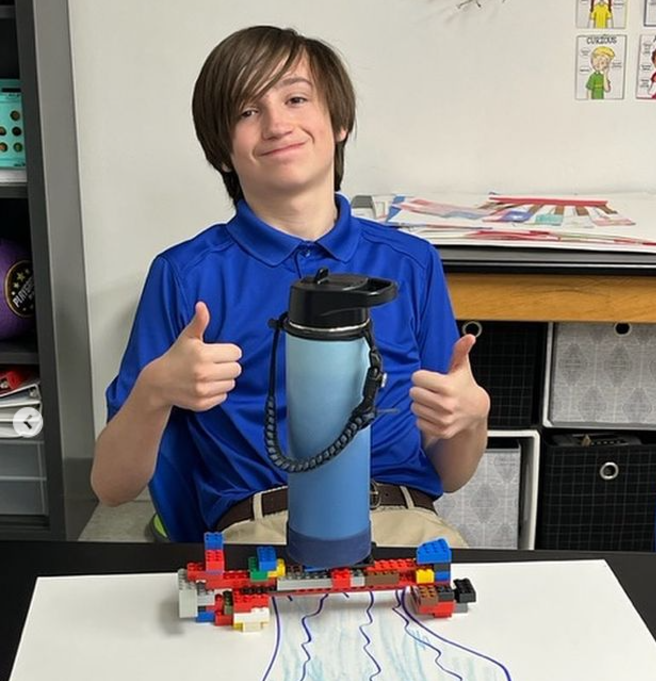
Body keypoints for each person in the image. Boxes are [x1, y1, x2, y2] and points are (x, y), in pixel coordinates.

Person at [90, 25, 490, 548]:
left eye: (296, 98)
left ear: (338, 121)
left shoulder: (411, 262)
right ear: (222, 149)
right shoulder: (186, 274)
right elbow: (111, 487)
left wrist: (472, 417)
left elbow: (453, 473)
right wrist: (155, 390)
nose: (278, 123)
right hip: (259, 530)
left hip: (402, 525)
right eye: (247, 111)